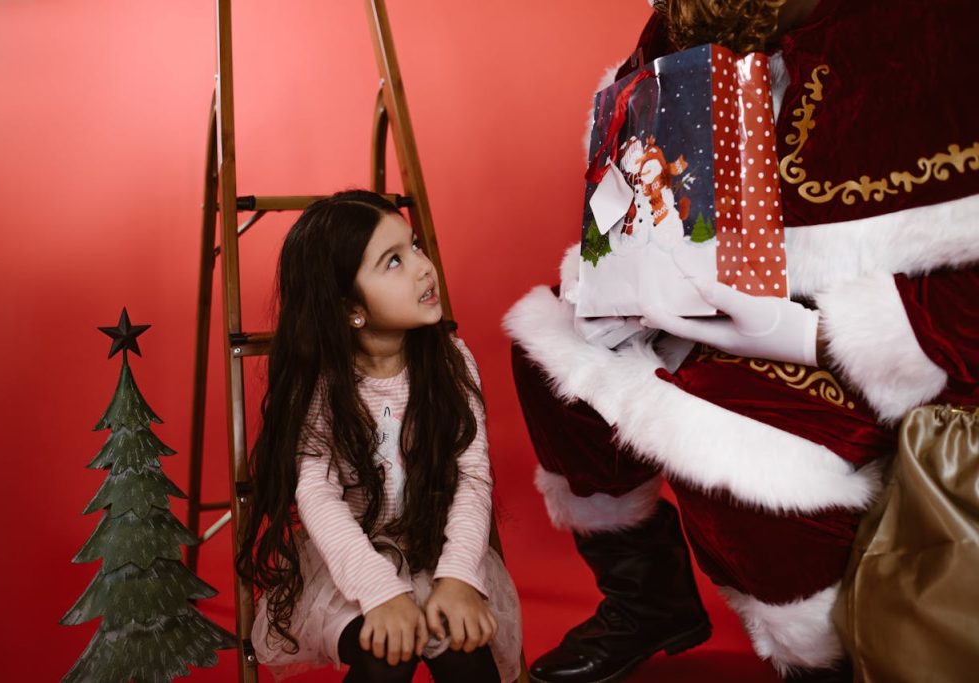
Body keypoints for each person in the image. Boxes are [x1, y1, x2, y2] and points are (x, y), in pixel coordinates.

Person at [504, 1, 979, 682]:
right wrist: (615, 276)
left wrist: (817, 334)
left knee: (734, 441)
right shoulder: (684, 19)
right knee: (552, 349)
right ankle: (647, 598)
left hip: (873, 325)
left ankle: (820, 658)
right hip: (705, 297)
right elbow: (631, 168)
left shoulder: (934, 27)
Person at [238, 191, 522, 683]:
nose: (422, 267)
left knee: (462, 644)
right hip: (352, 564)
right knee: (388, 649)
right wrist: (381, 591)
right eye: (393, 261)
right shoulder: (322, 386)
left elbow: (473, 477)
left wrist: (456, 578)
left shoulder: (452, 362)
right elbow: (317, 494)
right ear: (352, 309)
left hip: (434, 551)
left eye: (413, 246)